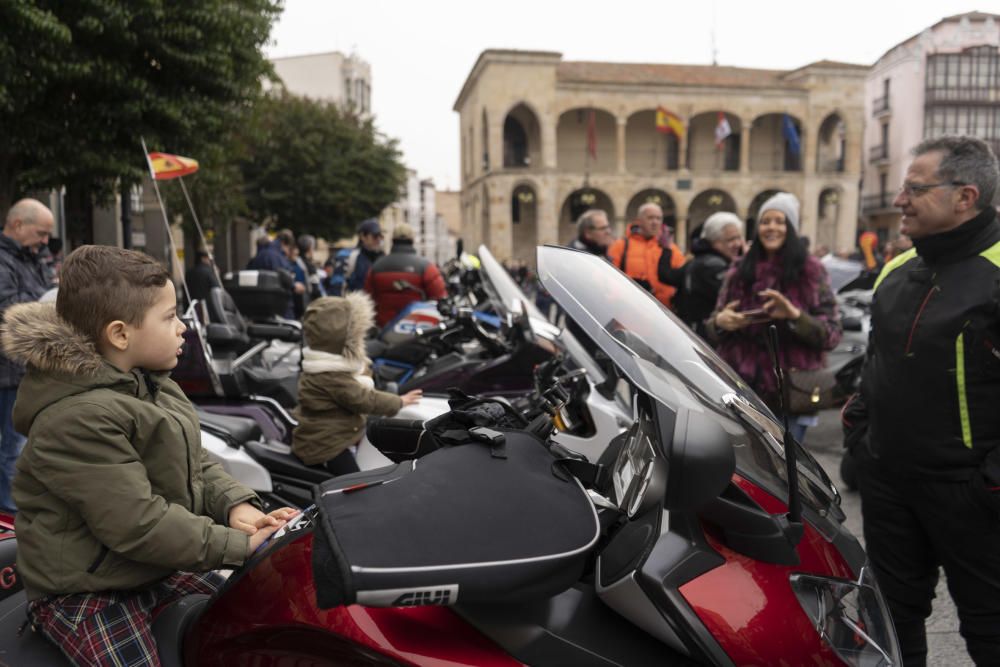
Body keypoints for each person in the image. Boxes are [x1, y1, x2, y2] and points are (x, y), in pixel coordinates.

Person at [2, 244, 296, 665]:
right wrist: (237, 544)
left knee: (252, 618)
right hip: (88, 591)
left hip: (152, 566)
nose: (183, 329)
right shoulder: (79, 418)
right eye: (170, 316)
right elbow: (136, 523)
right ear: (120, 334)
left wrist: (235, 507)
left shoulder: (150, 383)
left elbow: (195, 463)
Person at [856, 136, 1000, 666]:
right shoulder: (896, 270)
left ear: (965, 196)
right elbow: (874, 369)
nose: (900, 200)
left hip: (975, 496)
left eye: (916, 189)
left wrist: (990, 482)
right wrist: (861, 442)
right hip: (890, 485)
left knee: (990, 627)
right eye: (902, 188)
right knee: (891, 621)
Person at [706, 192, 841, 442]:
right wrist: (721, 322)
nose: (772, 227)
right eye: (766, 221)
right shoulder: (738, 270)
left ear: (791, 227)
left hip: (793, 393)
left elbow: (832, 335)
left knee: (784, 473)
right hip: (743, 392)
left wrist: (794, 315)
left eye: (780, 221)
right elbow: (713, 325)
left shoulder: (812, 271)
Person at [293, 293, 422, 475]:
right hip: (327, 444)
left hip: (331, 433)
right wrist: (399, 402)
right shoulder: (331, 375)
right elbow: (363, 399)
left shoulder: (326, 366)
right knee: (355, 482)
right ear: (343, 341)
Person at [0, 198, 54, 513]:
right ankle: (11, 516)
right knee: (13, 446)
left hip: (22, 365)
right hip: (8, 368)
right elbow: (7, 304)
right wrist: (45, 302)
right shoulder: (5, 260)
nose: (45, 241)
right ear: (18, 225)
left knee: (20, 445)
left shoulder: (30, 256)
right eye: (42, 233)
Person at [658, 211, 745, 338]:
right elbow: (739, 300)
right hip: (708, 339)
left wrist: (666, 250)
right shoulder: (714, 267)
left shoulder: (696, 261)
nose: (738, 244)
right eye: (731, 239)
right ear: (715, 241)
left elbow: (667, 276)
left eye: (739, 238)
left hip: (692, 333)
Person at [366, 223, 448, 327]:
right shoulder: (426, 267)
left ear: (392, 240)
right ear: (412, 240)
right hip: (415, 328)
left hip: (384, 329)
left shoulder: (376, 266)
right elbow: (439, 297)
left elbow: (368, 298)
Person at [607, 203, 686, 309]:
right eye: (650, 218)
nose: (655, 222)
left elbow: (681, 278)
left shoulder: (671, 249)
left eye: (658, 218)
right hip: (630, 308)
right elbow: (609, 279)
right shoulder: (620, 246)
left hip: (663, 311)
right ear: (639, 221)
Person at [246, 229, 304, 319]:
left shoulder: (260, 254)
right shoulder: (277, 257)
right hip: (279, 310)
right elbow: (283, 275)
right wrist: (294, 286)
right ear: (285, 244)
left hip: (257, 309)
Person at [325, 219, 385, 296]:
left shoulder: (382, 257)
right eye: (375, 236)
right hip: (354, 304)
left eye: (381, 236)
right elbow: (337, 287)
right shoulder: (348, 256)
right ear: (363, 236)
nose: (379, 239)